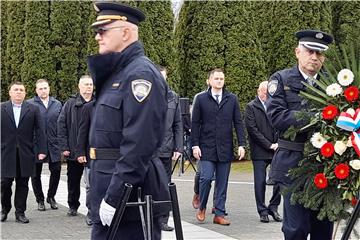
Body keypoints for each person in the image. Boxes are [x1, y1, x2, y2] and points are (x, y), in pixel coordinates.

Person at [87, 2, 170, 240]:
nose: (97, 37)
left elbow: (139, 144)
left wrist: (116, 197)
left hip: (130, 198)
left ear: (125, 32)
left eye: (103, 31)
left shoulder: (140, 75)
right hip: (108, 187)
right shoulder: (118, 74)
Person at [266, 30, 334, 240]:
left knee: (323, 228)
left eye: (320, 54)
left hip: (326, 166)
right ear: (297, 52)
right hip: (293, 165)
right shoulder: (281, 79)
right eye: (310, 51)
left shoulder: (333, 84)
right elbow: (276, 116)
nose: (314, 57)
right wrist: (315, 117)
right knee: (296, 229)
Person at [191, 68, 246, 225]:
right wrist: (195, 145)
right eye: (216, 79)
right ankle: (202, 207)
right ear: (209, 81)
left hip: (225, 147)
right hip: (206, 147)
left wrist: (242, 144)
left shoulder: (232, 99)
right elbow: (195, 124)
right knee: (206, 178)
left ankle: (219, 213)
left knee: (222, 182)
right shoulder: (201, 99)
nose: (219, 81)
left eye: (221, 79)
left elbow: (238, 123)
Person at [1, 82, 47, 223]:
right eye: (16, 90)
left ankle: (20, 212)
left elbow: (40, 130)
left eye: (21, 90)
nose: (18, 92)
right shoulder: (2, 108)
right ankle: (4, 209)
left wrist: (42, 150)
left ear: (25, 93)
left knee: (23, 183)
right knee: (5, 183)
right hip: (6, 152)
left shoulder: (33, 109)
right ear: (10, 92)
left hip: (26, 153)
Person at [245, 81, 282, 223]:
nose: (266, 94)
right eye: (264, 91)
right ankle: (262, 211)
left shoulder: (277, 105)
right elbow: (253, 130)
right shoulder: (251, 107)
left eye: (269, 92)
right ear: (258, 91)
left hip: (277, 149)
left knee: (279, 180)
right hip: (260, 150)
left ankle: (273, 207)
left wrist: (278, 143)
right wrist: (269, 145)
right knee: (259, 182)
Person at [57, 75, 94, 217]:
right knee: (73, 181)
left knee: (92, 183)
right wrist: (64, 147)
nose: (88, 87)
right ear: (79, 86)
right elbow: (61, 125)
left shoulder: (97, 102)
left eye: (90, 84)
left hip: (92, 151)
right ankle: (73, 205)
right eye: (85, 84)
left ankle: (91, 208)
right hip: (73, 150)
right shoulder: (70, 103)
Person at [28, 79, 62, 212]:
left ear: (49, 89)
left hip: (54, 144)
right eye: (40, 88)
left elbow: (62, 124)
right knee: (35, 174)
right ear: (36, 91)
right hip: (36, 145)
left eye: (45, 88)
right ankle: (40, 200)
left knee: (57, 171)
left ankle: (51, 197)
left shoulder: (57, 104)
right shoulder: (30, 104)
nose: (43, 90)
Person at [157, 66, 183, 232]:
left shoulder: (173, 97)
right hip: (148, 150)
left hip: (166, 149)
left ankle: (163, 219)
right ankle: (148, 217)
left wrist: (178, 147)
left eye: (163, 76)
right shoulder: (144, 95)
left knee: (165, 185)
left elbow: (178, 124)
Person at [76, 98, 95, 226]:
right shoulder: (88, 107)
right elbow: (83, 131)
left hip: (112, 155)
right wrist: (81, 152)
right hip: (91, 154)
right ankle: (91, 212)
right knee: (90, 186)